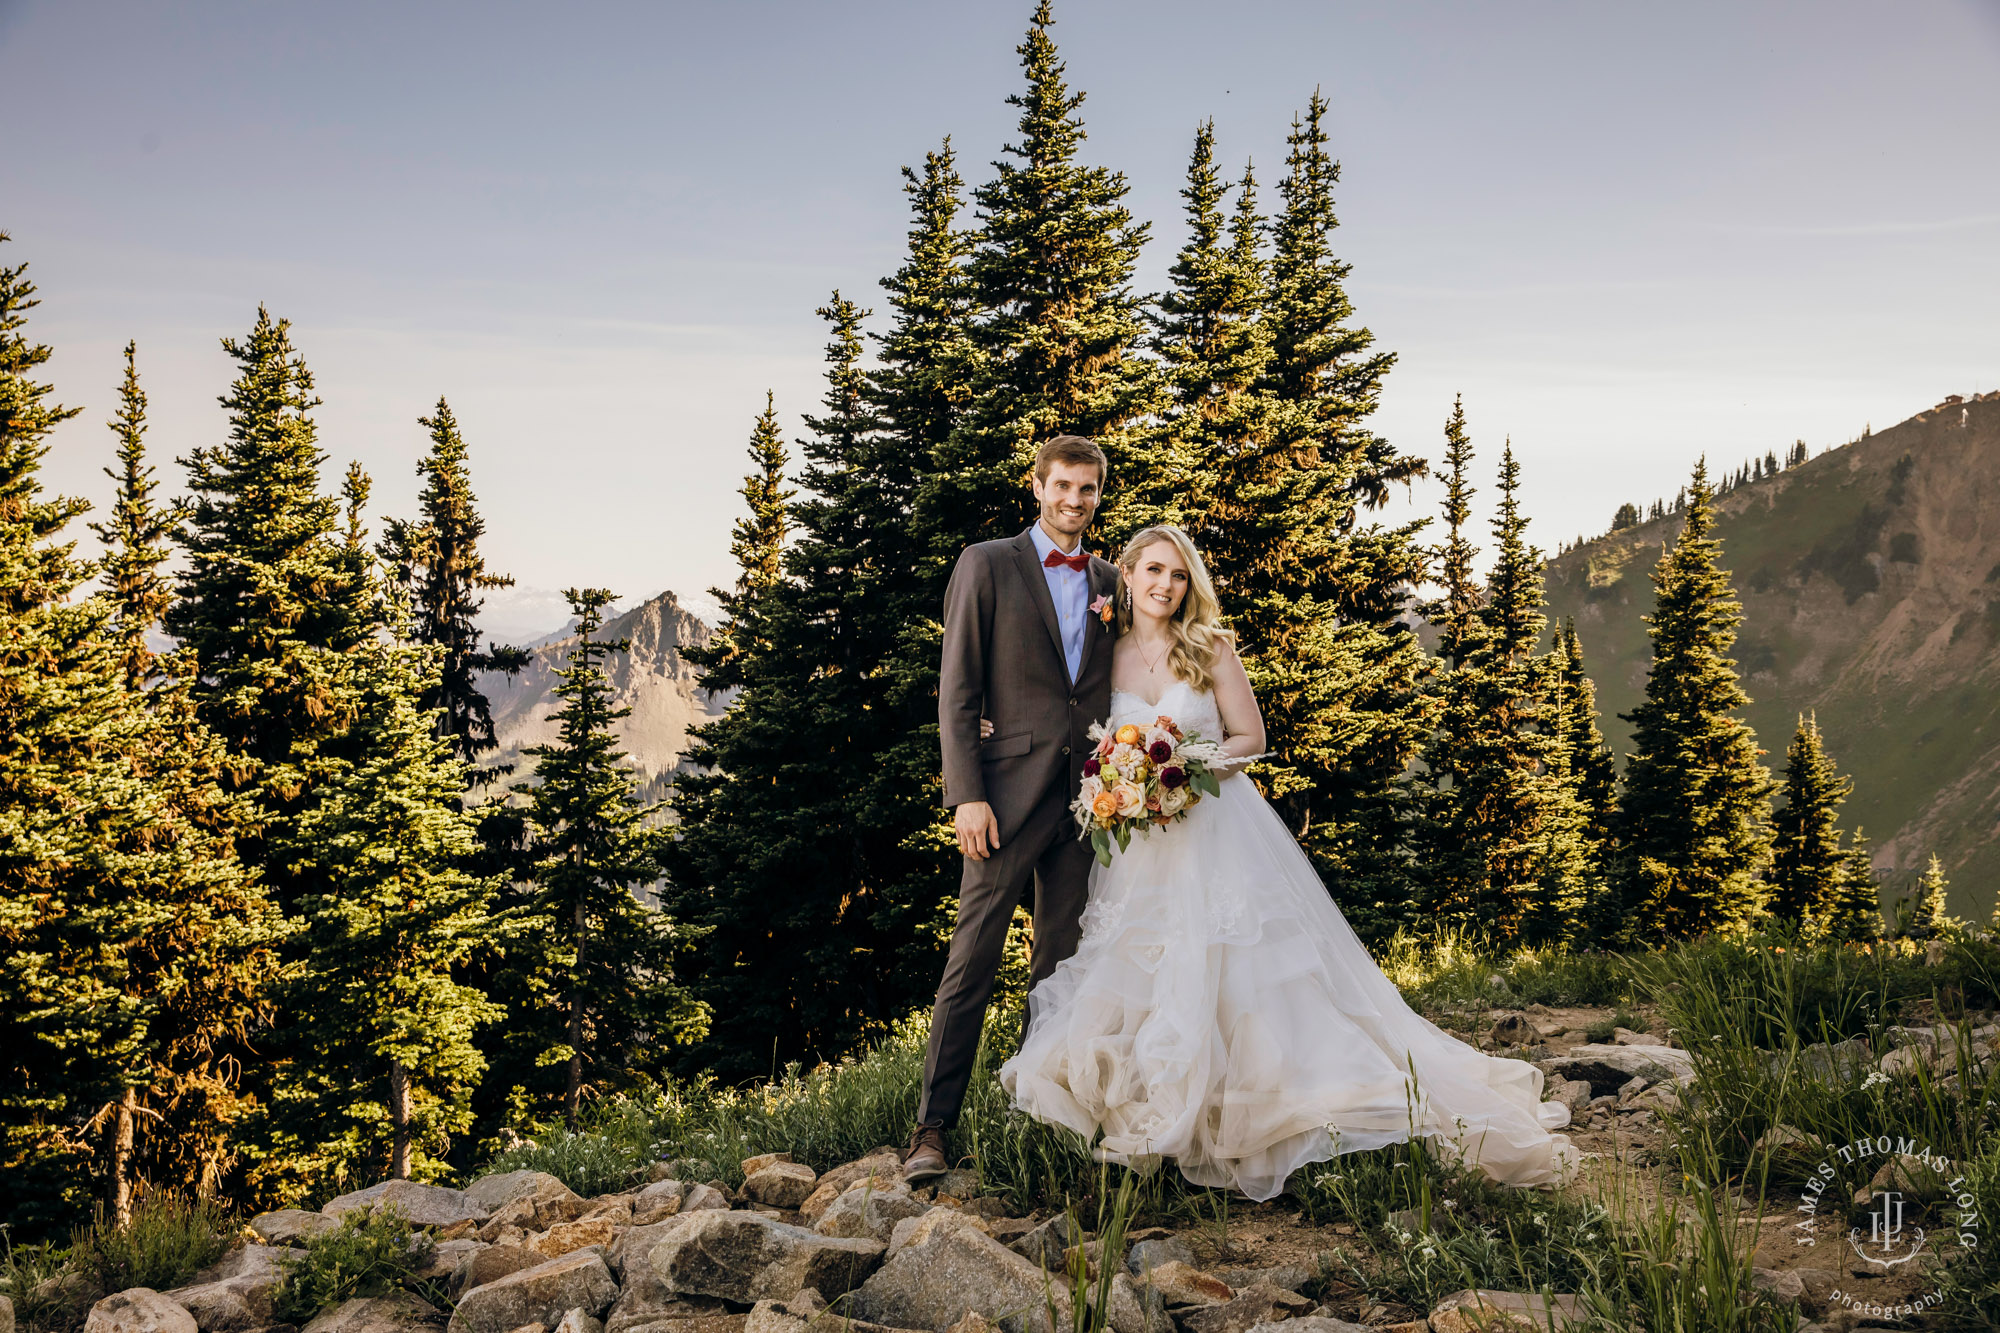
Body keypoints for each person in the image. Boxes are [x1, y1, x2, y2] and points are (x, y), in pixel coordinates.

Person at [995, 524, 1582, 1201]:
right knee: (1145, 967)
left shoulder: (1209, 647)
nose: (1165, 585)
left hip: (1215, 825)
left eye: (1179, 575)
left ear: (1190, 587)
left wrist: (1183, 771)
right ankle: (1153, 1106)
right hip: (1144, 847)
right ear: (1125, 575)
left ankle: (1260, 1106)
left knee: (1242, 970)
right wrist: (1110, 777)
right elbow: (1067, 715)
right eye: (1153, 570)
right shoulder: (1110, 655)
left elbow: (1251, 737)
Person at [902, 435, 1121, 1185]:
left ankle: (1035, 1112)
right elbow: (957, 687)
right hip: (1001, 800)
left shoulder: (1111, 579)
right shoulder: (986, 563)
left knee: (1059, 966)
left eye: (1087, 489)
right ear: (1036, 487)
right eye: (1062, 485)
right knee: (972, 961)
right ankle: (932, 1127)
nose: (1074, 500)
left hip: (1087, 804)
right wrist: (965, 793)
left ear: (1098, 495)